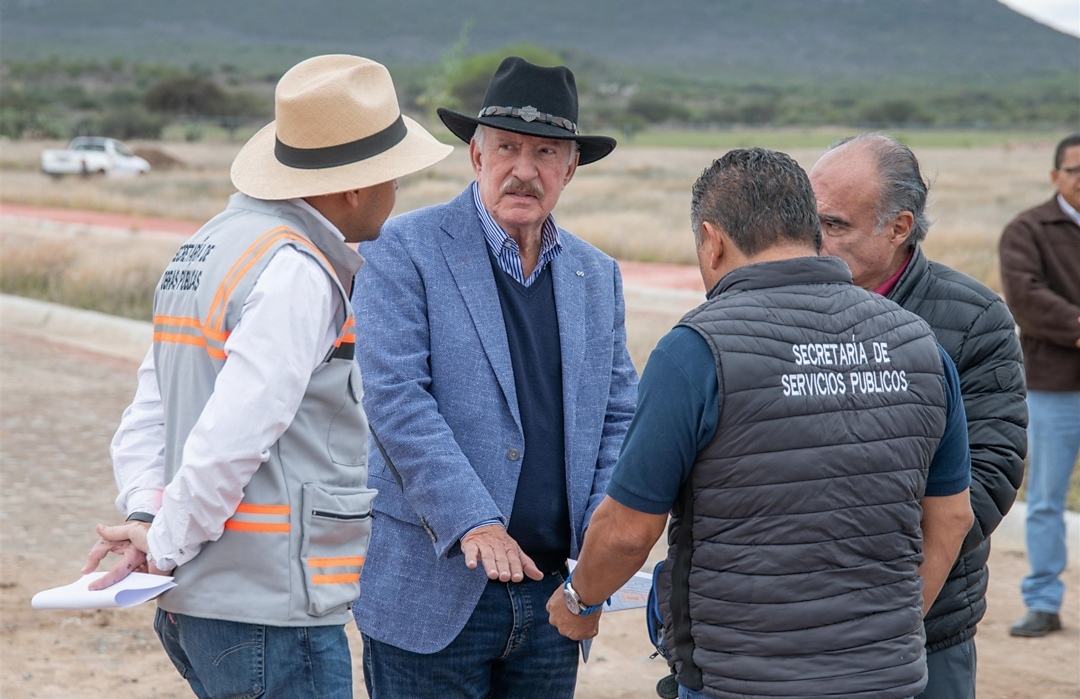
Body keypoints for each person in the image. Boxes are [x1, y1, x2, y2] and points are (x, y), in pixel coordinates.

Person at [81, 54, 452, 698]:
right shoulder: (296, 271)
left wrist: (148, 516)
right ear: (354, 187)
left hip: (202, 604)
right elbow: (235, 434)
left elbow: (151, 409)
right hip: (271, 613)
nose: (398, 193)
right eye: (394, 176)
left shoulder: (210, 245)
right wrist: (162, 544)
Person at [547, 147, 974, 699]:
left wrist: (579, 600)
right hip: (889, 679)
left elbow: (628, 532)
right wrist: (888, 635)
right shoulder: (921, 345)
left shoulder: (696, 350)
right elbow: (952, 517)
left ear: (712, 240)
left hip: (739, 678)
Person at [350, 56, 638, 698]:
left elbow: (620, 412)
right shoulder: (402, 248)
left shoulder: (597, 274)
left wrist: (599, 538)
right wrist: (475, 521)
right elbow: (396, 401)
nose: (525, 170)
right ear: (476, 155)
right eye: (507, 147)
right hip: (434, 592)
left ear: (571, 167)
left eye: (546, 153)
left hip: (554, 597)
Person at [808, 133, 1027, 698]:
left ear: (899, 227)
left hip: (925, 627)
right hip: (792, 623)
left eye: (833, 224)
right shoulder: (778, 306)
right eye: (807, 219)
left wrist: (885, 581)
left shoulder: (974, 318)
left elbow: (991, 472)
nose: (812, 239)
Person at [1000, 133, 1080, 638]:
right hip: (1055, 388)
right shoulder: (1027, 230)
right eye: (1076, 170)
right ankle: (1044, 601)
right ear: (1055, 175)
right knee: (1047, 498)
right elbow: (1026, 298)